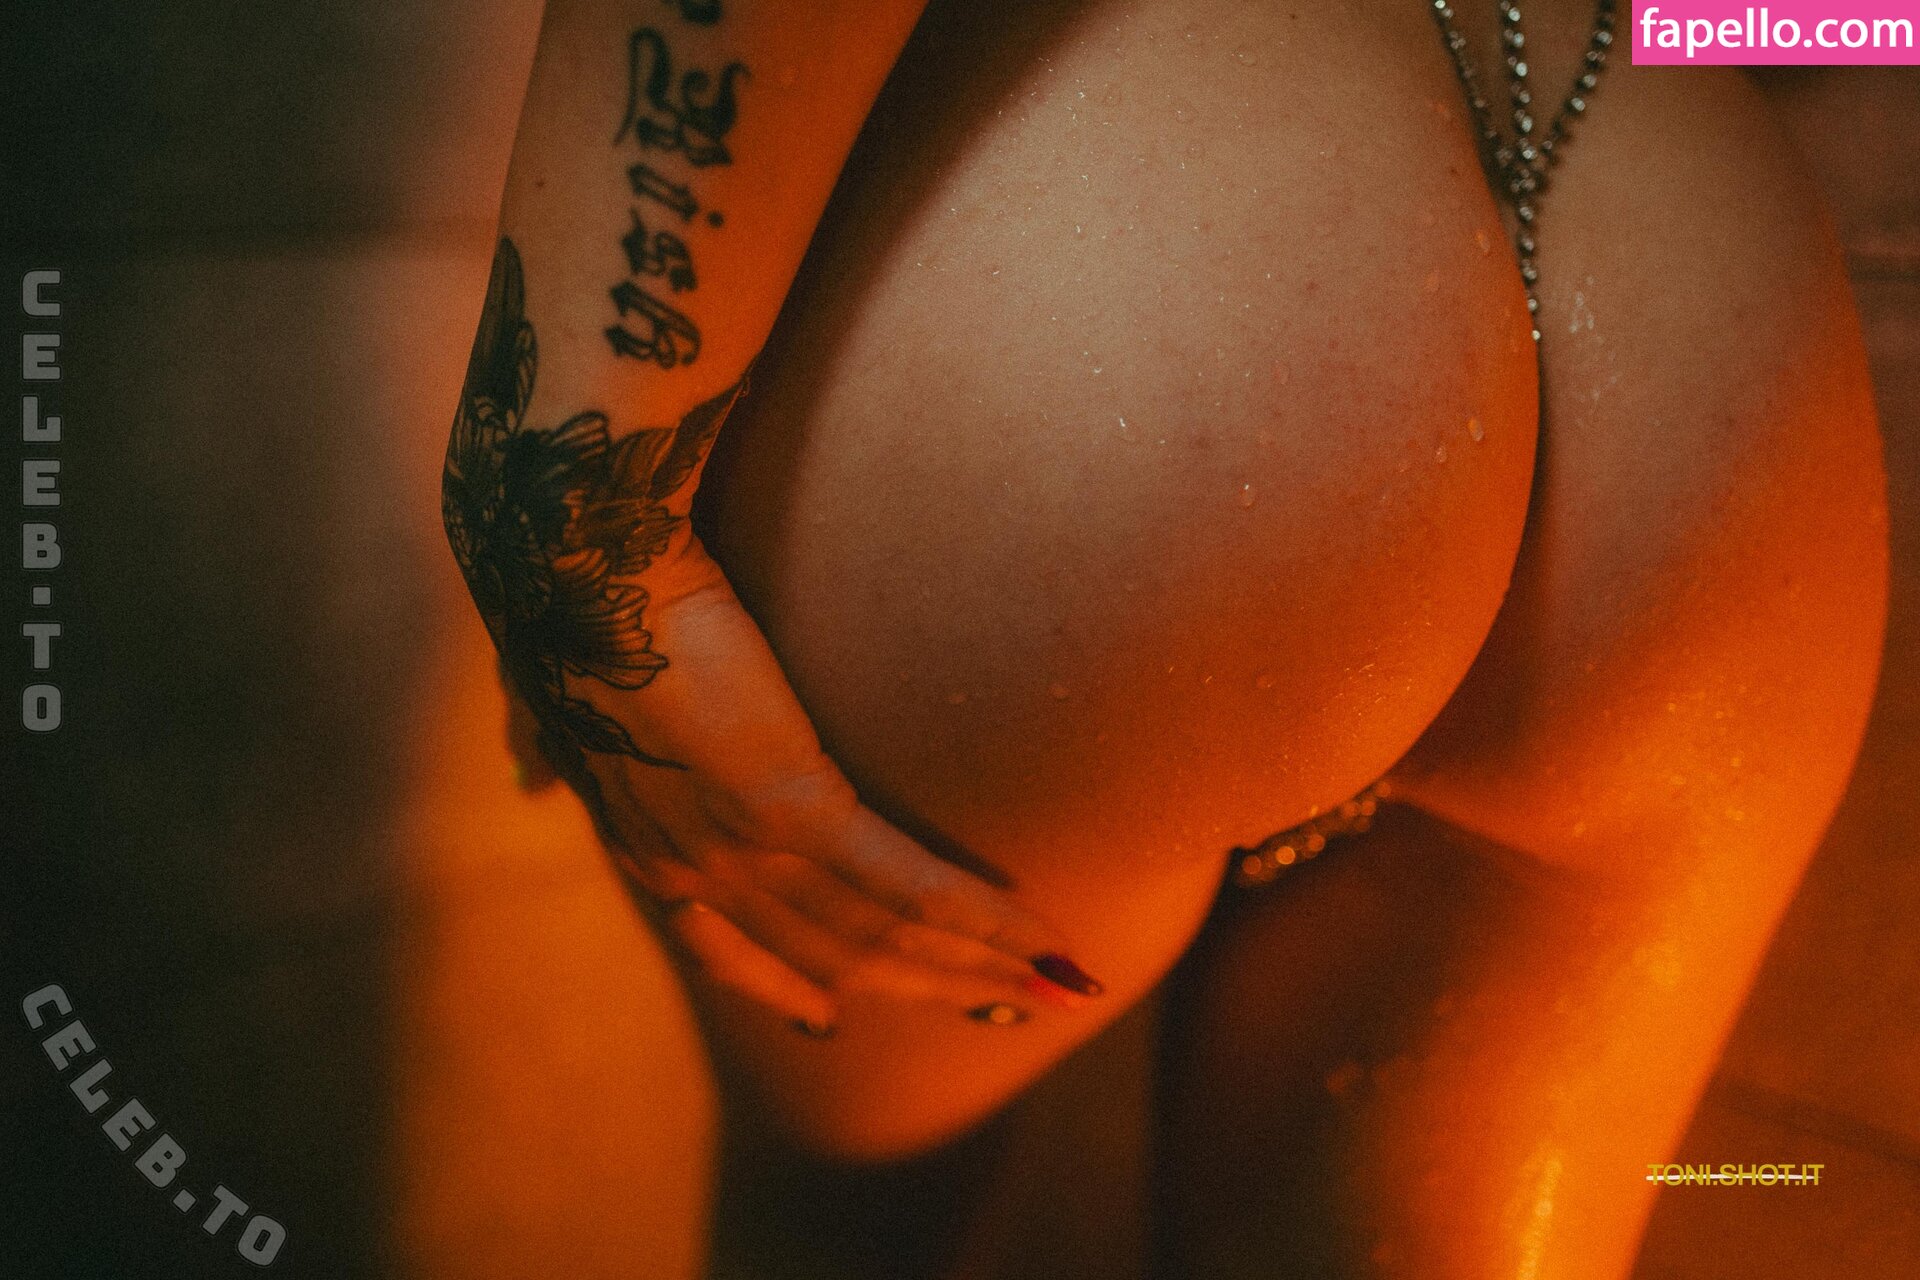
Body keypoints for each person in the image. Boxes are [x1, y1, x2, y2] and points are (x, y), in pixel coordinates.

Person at [439, 0, 1887, 1273]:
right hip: (1713, 330)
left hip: (1146, 247)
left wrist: (566, 502)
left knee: (847, 1223)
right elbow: (1851, 20)